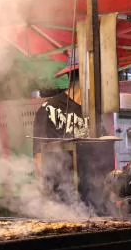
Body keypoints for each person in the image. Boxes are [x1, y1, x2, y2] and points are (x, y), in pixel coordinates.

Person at [32, 65, 90, 201]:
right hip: (61, 197)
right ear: (85, 82)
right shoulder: (49, 110)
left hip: (91, 196)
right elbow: (39, 157)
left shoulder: (93, 111)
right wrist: (49, 200)